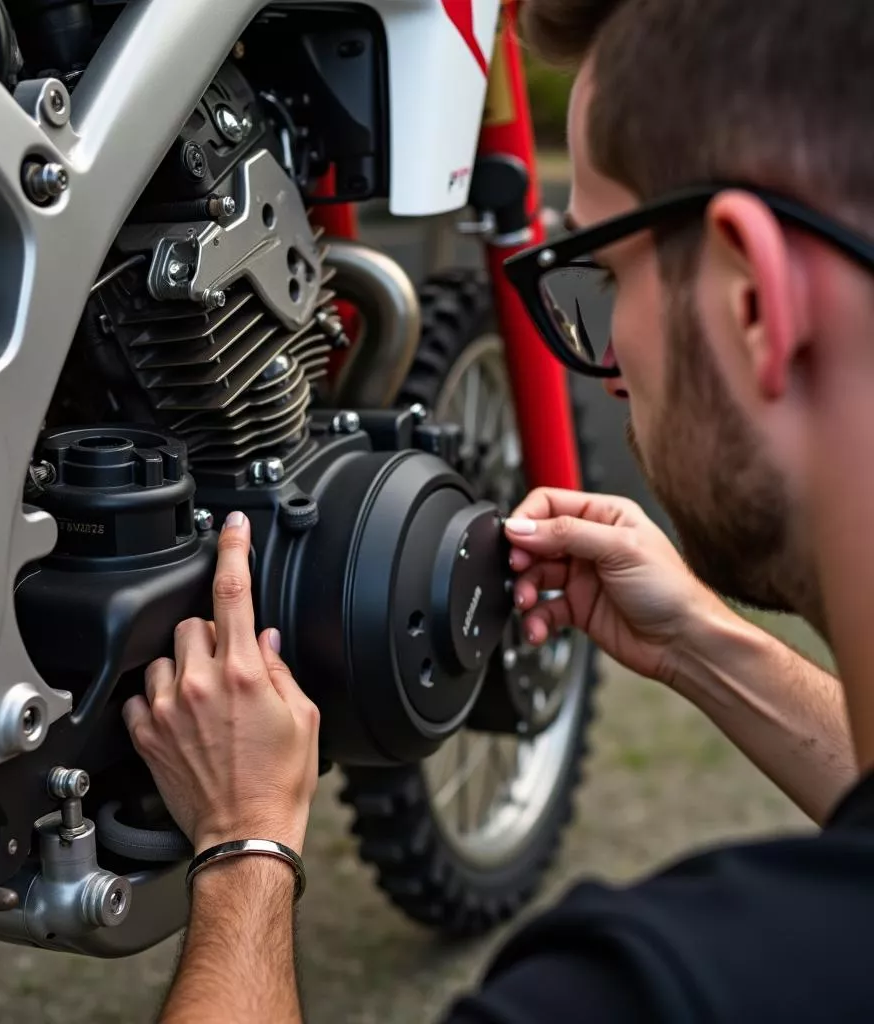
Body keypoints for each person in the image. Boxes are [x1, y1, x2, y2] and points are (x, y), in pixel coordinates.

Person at [120, 0, 874, 1019]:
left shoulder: (661, 989)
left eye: (602, 277)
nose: (605, 372)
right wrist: (701, 643)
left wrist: (245, 837)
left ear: (750, 297)